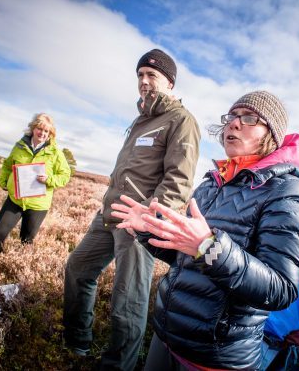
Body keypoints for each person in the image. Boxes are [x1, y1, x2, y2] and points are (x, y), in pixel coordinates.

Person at [111, 91, 299, 370]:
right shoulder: (212, 183)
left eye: (249, 118)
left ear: (272, 134)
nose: (233, 124)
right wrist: (150, 232)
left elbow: (281, 288)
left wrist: (209, 247)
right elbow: (187, 257)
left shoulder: (289, 192)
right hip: (167, 337)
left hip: (215, 355)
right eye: (231, 116)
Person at [63, 49, 200, 370]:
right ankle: (77, 343)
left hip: (139, 223)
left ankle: (117, 365)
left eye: (152, 75)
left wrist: (149, 222)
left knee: (128, 301)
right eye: (140, 75)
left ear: (170, 82)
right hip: (109, 215)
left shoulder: (181, 120)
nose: (144, 81)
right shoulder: (142, 119)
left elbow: (179, 180)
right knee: (78, 269)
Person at [0, 113, 71, 264]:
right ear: (33, 129)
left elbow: (65, 175)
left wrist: (50, 180)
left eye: (46, 131)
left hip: (38, 205)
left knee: (26, 241)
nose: (42, 133)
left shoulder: (55, 152)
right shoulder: (20, 146)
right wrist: (3, 181)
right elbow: (8, 166)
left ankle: (19, 270)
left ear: (50, 134)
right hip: (15, 199)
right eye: (40, 129)